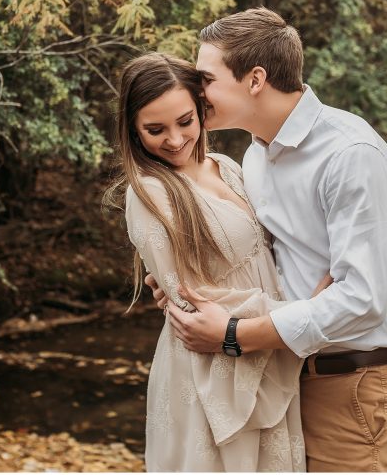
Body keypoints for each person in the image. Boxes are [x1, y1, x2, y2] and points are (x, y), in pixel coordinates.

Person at [146, 8, 387, 472]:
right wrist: (181, 284)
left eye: (206, 79)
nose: (196, 93)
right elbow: (262, 257)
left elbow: (362, 299)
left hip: (352, 381)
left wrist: (234, 336)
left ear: (255, 79)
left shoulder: (349, 155)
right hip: (288, 373)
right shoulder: (257, 154)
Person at [106, 53, 333, 472]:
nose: (174, 140)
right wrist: (304, 315)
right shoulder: (150, 192)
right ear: (134, 130)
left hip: (260, 348)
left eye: (185, 122)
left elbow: (276, 248)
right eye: (155, 130)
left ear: (201, 109)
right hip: (214, 367)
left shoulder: (227, 167)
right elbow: (194, 299)